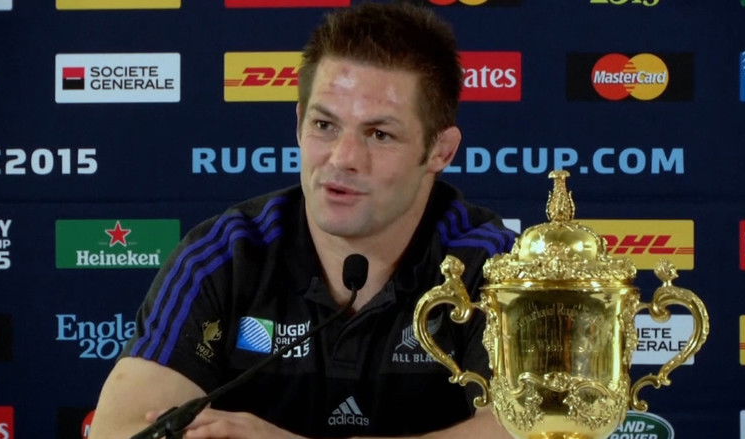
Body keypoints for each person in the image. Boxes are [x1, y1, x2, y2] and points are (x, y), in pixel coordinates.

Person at [89, 3, 516, 438]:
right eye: (325, 125)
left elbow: (527, 430)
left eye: (379, 134)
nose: (343, 158)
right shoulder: (225, 254)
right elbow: (121, 429)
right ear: (298, 124)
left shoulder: (498, 268)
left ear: (441, 151)